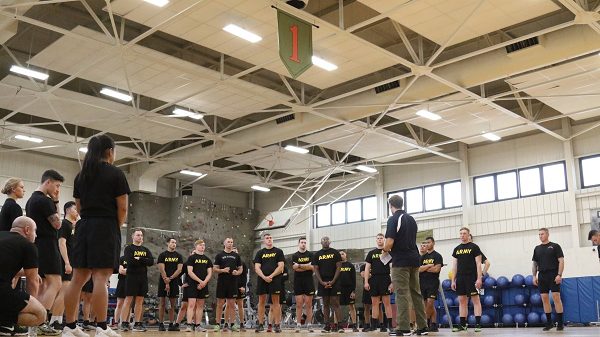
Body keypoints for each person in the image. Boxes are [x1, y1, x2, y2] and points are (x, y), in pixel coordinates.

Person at [63, 134, 130, 337]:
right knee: (102, 277)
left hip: (84, 226)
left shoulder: (80, 176)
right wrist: (113, 227)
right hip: (106, 226)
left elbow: (80, 207)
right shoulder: (116, 174)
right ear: (110, 151)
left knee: (77, 278)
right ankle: (101, 327)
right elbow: (123, 208)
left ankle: (69, 326)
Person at [25, 169, 64, 336]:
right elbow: (58, 224)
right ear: (47, 182)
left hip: (36, 245)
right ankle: (41, 321)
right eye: (56, 186)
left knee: (42, 286)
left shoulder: (31, 200)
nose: (57, 190)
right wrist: (56, 200)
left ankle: (35, 322)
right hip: (47, 245)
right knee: (56, 283)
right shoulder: (45, 201)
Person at [383, 195, 427, 336]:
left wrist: (383, 251)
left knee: (401, 293)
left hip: (401, 261)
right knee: (416, 293)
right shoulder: (411, 219)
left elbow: (389, 243)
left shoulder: (393, 219)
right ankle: (422, 327)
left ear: (391, 206)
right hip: (414, 260)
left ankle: (403, 328)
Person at [0, 216, 46, 334]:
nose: (35, 235)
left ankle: (4, 324)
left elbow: (6, 267)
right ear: (27, 230)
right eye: (35, 231)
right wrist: (34, 303)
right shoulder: (28, 245)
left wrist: (23, 273)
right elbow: (33, 281)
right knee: (41, 314)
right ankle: (5, 321)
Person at [50, 202, 78, 330]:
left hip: (71, 261)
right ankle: (53, 321)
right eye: (75, 208)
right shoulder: (65, 224)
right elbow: (61, 244)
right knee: (63, 291)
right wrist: (67, 262)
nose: (77, 210)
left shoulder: (72, 226)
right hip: (63, 262)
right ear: (67, 210)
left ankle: (58, 320)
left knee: (65, 291)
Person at [119, 229, 154, 332]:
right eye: (138, 235)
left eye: (141, 235)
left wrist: (140, 259)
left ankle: (137, 323)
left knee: (140, 300)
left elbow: (151, 261)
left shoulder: (145, 249)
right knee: (128, 299)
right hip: (131, 277)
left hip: (142, 277)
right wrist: (142, 261)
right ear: (133, 236)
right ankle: (124, 323)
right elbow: (130, 261)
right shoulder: (129, 248)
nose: (140, 237)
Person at [450, 227, 483, 332]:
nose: (462, 235)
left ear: (469, 235)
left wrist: (479, 278)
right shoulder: (456, 249)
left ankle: (478, 325)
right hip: (460, 278)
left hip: (471, 277)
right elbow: (454, 266)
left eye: (464, 233)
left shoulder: (474, 247)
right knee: (462, 301)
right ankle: (463, 325)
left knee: (475, 300)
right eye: (461, 233)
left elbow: (478, 264)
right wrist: (453, 280)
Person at [532, 228, 565, 331]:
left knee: (556, 297)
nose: (540, 236)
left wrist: (559, 274)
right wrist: (534, 276)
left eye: (542, 234)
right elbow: (534, 264)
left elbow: (561, 261)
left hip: (553, 274)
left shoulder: (555, 246)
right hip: (542, 275)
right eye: (539, 234)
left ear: (547, 234)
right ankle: (549, 323)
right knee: (544, 299)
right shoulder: (537, 248)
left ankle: (560, 323)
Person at [253, 233, 285, 333]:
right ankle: (261, 324)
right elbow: (257, 267)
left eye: (271, 238)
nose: (269, 239)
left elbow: (281, 267)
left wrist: (271, 276)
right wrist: (264, 277)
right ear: (264, 241)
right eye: (267, 238)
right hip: (262, 279)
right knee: (261, 302)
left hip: (274, 279)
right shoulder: (260, 253)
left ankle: (277, 325)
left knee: (276, 303)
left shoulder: (278, 251)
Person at [312, 236, 343, 333]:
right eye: (323, 240)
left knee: (336, 303)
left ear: (330, 242)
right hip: (323, 281)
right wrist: (321, 282)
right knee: (325, 304)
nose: (325, 241)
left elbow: (339, 267)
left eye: (327, 240)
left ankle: (340, 326)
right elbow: (316, 269)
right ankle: (327, 326)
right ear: (321, 242)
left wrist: (333, 281)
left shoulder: (335, 252)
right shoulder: (317, 254)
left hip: (334, 281)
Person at [365, 234, 394, 332]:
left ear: (384, 240)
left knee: (387, 303)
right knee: (374, 303)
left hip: (385, 278)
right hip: (374, 279)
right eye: (378, 238)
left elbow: (392, 268)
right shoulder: (371, 253)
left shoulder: (388, 252)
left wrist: (392, 282)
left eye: (381, 238)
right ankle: (373, 325)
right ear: (376, 240)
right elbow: (367, 268)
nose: (379, 240)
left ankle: (390, 325)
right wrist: (366, 282)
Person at [213, 238, 242, 332]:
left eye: (232, 242)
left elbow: (240, 269)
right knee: (220, 304)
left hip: (233, 283)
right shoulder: (219, 255)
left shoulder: (236, 256)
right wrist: (222, 270)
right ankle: (217, 324)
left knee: (232, 304)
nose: (230, 243)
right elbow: (214, 269)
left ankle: (232, 324)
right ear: (224, 243)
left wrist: (237, 272)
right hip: (222, 283)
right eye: (228, 242)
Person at [157, 238, 184, 331]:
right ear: (168, 243)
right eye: (172, 242)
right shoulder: (162, 255)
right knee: (162, 303)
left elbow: (179, 269)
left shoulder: (179, 256)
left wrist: (171, 278)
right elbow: (161, 268)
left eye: (175, 243)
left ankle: (171, 324)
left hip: (174, 281)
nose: (174, 244)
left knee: (173, 304)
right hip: (163, 281)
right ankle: (161, 324)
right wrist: (166, 280)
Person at [185, 240, 212, 332]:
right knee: (191, 304)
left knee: (200, 305)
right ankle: (189, 325)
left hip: (203, 285)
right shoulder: (191, 258)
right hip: (193, 284)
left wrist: (204, 282)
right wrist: (200, 281)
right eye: (201, 245)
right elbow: (190, 272)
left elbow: (210, 273)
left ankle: (198, 325)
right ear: (196, 246)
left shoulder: (207, 259)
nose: (203, 247)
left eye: (204, 245)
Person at [419, 236, 443, 332]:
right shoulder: (422, 257)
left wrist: (424, 268)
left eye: (429, 242)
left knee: (430, 303)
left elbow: (436, 269)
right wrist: (429, 266)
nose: (427, 244)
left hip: (433, 282)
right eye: (426, 243)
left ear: (433, 243)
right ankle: (433, 324)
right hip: (422, 282)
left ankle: (426, 323)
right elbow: (419, 269)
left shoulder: (437, 256)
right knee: (427, 305)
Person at [292, 237, 314, 333]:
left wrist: (300, 265)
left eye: (305, 242)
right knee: (299, 304)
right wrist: (306, 266)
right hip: (298, 281)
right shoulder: (295, 255)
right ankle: (298, 324)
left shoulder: (310, 254)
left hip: (309, 281)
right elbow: (295, 268)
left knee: (309, 304)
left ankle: (309, 324)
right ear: (299, 244)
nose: (303, 244)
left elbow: (312, 267)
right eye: (302, 242)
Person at [339, 250, 359, 332]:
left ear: (346, 255)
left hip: (349, 289)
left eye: (342, 254)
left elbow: (353, 279)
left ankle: (354, 325)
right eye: (339, 254)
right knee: (337, 307)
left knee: (352, 307)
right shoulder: (336, 266)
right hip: (339, 289)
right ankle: (337, 325)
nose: (341, 255)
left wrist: (353, 291)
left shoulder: (350, 265)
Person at [232, 247, 248, 332]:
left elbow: (244, 276)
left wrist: (243, 287)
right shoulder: (228, 263)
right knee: (229, 306)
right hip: (231, 287)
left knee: (240, 305)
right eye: (233, 251)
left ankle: (242, 324)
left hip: (240, 287)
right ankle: (231, 323)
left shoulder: (242, 263)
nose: (235, 253)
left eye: (236, 251)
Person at [112, 255, 127, 328]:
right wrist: (132, 271)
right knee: (119, 303)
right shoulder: (122, 258)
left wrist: (127, 270)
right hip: (122, 282)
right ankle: (116, 322)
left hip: (131, 282)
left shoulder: (134, 259)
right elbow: (121, 271)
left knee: (128, 305)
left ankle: (124, 322)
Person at [359, 264, 373, 332]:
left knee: (378, 306)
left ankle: (378, 324)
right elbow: (364, 275)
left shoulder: (376, 264)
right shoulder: (363, 266)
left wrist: (368, 274)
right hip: (367, 289)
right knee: (366, 307)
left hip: (376, 287)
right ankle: (367, 324)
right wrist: (371, 274)